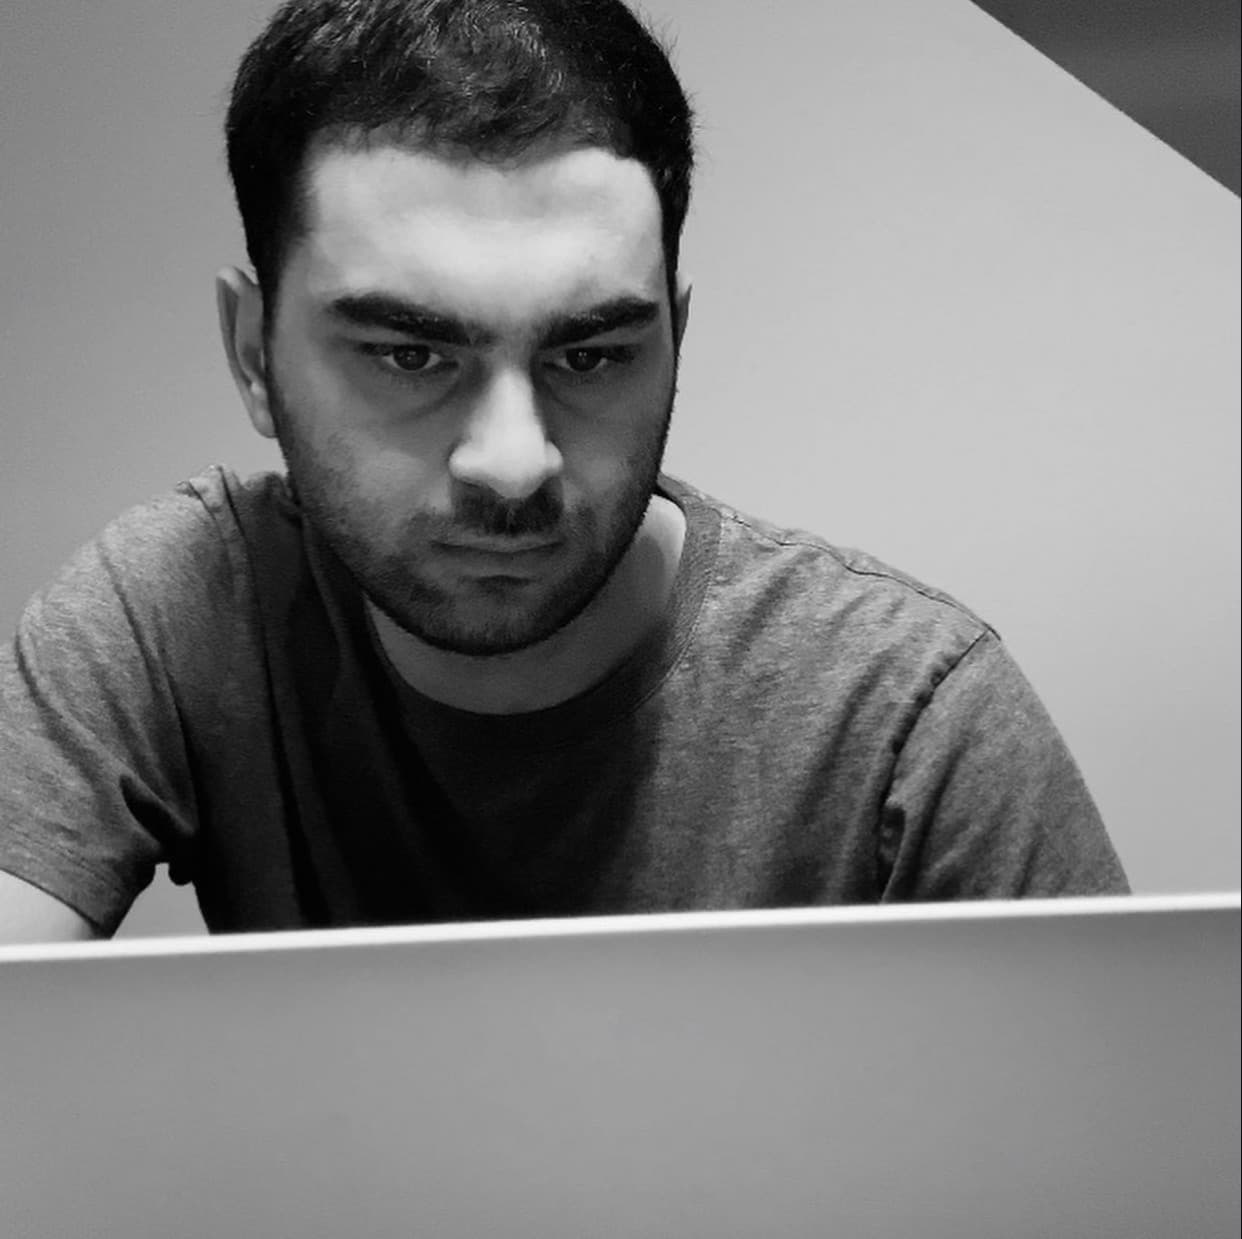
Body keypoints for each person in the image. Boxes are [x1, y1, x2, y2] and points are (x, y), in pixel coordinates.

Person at [0, 0, 1128, 942]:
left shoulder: (906, 719)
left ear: (674, 339)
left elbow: (1125, 1163)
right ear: (254, 354)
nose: (512, 462)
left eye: (589, 354)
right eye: (409, 354)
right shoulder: (181, 610)